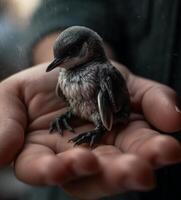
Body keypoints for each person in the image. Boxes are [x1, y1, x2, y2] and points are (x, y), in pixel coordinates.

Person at [0, 0, 181, 199]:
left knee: (103, 106)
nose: (58, 64)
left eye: (68, 55)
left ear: (87, 49)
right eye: (58, 58)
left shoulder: (103, 74)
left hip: (156, 175)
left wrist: (102, 127)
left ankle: (97, 126)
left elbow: (113, 109)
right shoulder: (63, 74)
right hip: (55, 191)